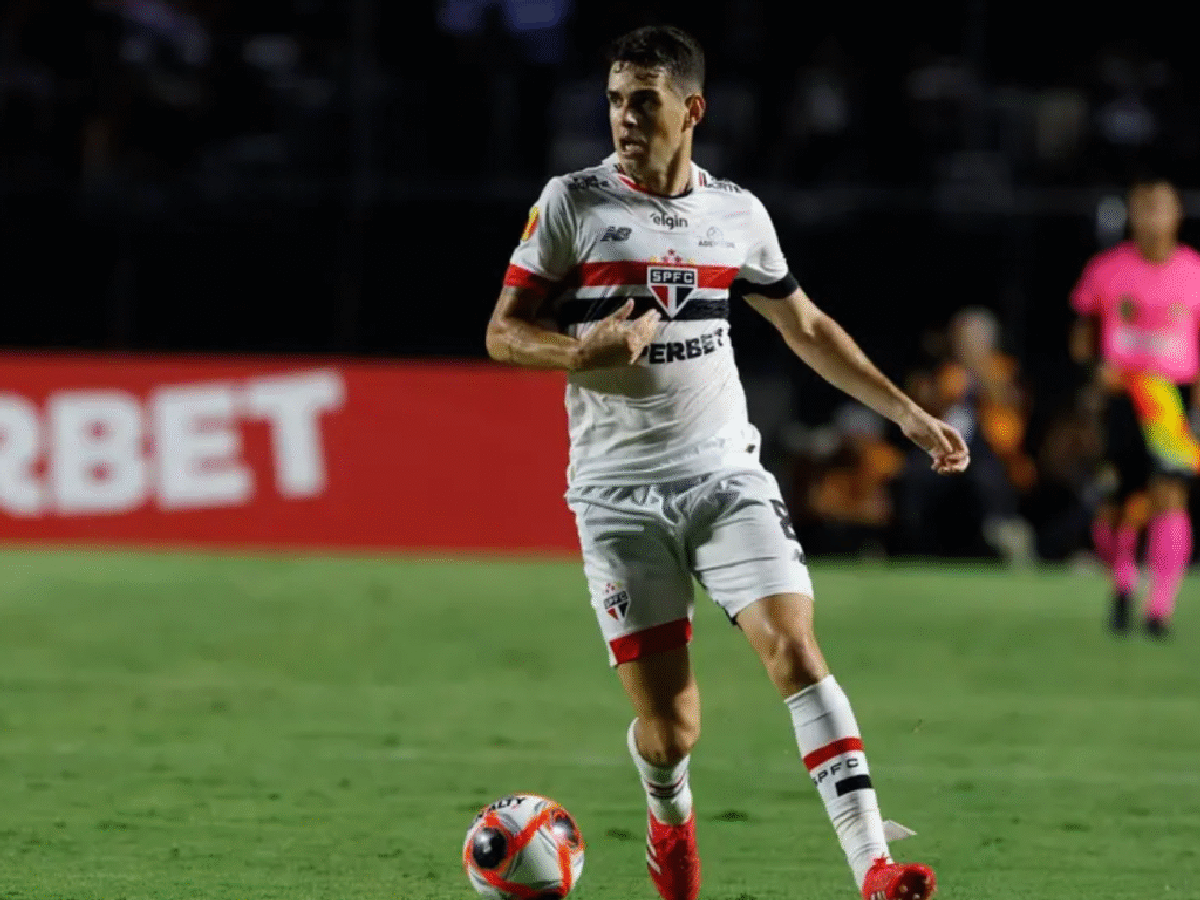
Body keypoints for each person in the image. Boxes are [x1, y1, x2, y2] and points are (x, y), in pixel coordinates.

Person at [486, 25, 968, 900]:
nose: (625, 117)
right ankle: (667, 810)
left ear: (693, 109)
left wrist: (905, 413)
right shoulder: (572, 203)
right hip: (617, 496)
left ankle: (874, 866)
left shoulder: (737, 215)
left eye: (645, 100)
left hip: (725, 478)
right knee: (671, 730)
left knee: (796, 649)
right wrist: (581, 352)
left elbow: (805, 326)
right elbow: (503, 333)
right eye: (615, 100)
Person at [1070, 175, 1200, 638]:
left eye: (1161, 207)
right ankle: (1123, 581)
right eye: (1143, 207)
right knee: (1115, 503)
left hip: (1170, 399)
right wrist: (1093, 376)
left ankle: (1159, 608)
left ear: (1177, 214)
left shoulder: (1194, 271)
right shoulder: (1107, 269)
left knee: (1170, 494)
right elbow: (1083, 337)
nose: (1152, 218)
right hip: (1121, 395)